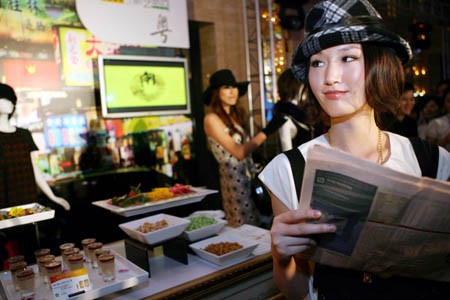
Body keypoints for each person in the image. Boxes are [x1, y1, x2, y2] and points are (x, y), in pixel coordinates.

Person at [258, 1, 450, 299]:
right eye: (317, 63)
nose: (330, 77)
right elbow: (300, 292)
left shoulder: (433, 161)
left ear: (378, 64)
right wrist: (280, 259)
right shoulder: (289, 170)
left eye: (347, 58)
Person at [203, 69, 287, 227]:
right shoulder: (211, 119)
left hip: (249, 179)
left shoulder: (234, 117)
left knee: (259, 226)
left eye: (234, 87)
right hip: (234, 183)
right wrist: (267, 131)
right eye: (227, 87)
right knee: (244, 227)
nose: (233, 91)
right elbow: (239, 152)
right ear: (216, 92)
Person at [0, 83, 70, 210]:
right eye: (4, 98)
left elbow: (33, 168)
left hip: (28, 198)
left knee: (31, 228)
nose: (9, 103)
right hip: (4, 201)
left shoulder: (24, 134)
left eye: (11, 99)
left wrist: (52, 196)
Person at [274, 68, 313, 151]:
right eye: (302, 87)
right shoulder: (285, 119)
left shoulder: (303, 115)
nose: (305, 91)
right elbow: (287, 153)